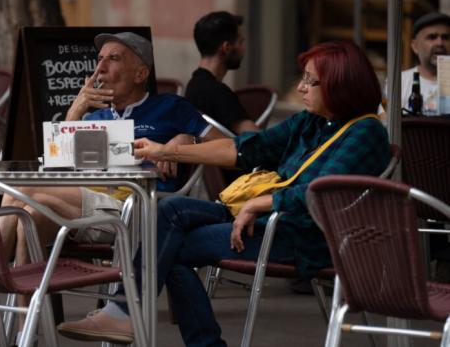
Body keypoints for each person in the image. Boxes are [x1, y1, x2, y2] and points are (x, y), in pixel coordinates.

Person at [57, 41, 391, 346]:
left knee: (168, 248)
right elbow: (247, 148)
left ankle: (131, 317)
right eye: (303, 78)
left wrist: (264, 202)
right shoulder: (310, 121)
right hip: (263, 216)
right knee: (169, 211)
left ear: (341, 84)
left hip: (304, 235)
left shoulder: (367, 131)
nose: (301, 87)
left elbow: (324, 192)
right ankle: (126, 315)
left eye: (310, 81)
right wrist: (166, 152)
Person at [0, 32, 223, 340]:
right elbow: (55, 166)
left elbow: (228, 146)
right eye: (99, 59)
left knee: (22, 192)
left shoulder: (172, 108)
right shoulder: (96, 115)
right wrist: (76, 109)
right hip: (83, 208)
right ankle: (24, 333)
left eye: (113, 59)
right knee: (27, 214)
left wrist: (187, 139)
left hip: (136, 210)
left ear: (141, 73)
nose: (100, 67)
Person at [185, 11, 259, 134]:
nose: (243, 49)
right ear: (227, 48)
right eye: (241, 42)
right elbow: (259, 140)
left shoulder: (192, 86)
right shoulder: (219, 93)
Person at [385, 11, 450, 115]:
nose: (440, 43)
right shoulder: (397, 84)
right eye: (432, 37)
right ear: (415, 46)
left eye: (446, 37)